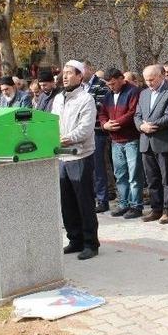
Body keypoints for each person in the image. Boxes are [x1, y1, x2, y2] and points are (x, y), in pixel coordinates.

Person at [51, 60, 100, 260]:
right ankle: (75, 239)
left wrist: (65, 138)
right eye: (63, 72)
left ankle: (91, 243)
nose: (65, 76)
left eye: (70, 73)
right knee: (67, 202)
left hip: (80, 155)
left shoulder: (86, 99)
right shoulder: (58, 99)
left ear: (80, 76)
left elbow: (85, 129)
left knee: (84, 202)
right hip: (61, 156)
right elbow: (52, 122)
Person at [135, 64, 168, 223]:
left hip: (162, 141)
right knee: (152, 178)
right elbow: (137, 114)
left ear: (161, 76)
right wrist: (141, 126)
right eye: (146, 80)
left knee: (167, 179)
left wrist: (151, 125)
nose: (149, 83)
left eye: (152, 79)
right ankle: (156, 208)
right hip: (145, 141)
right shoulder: (144, 94)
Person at [99, 68, 144, 219]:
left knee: (134, 175)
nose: (111, 87)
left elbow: (132, 113)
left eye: (113, 83)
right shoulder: (108, 95)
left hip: (131, 139)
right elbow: (102, 113)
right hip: (115, 140)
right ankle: (124, 203)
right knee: (120, 174)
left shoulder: (133, 91)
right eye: (108, 84)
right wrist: (105, 124)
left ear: (121, 79)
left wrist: (115, 123)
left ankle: (136, 205)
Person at [83, 61, 111, 213]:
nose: (80, 73)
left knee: (98, 168)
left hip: (97, 131)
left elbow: (100, 107)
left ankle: (102, 199)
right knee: (87, 168)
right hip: (83, 133)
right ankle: (91, 197)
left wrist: (82, 110)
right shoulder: (80, 87)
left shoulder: (101, 85)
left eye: (82, 69)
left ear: (90, 69)